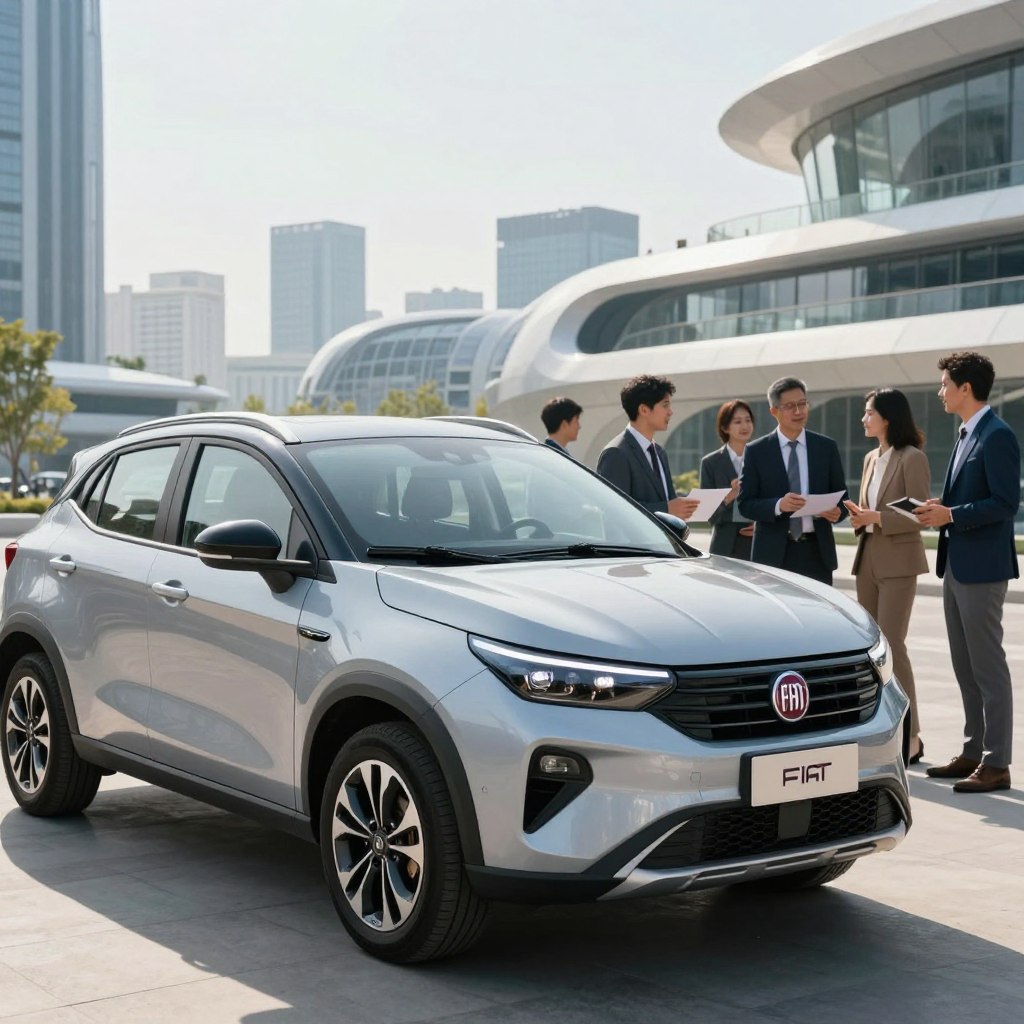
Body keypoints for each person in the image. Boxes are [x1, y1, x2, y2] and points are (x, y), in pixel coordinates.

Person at [916, 351, 1019, 794]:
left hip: (982, 569)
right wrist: (941, 512)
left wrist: (952, 515)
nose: (940, 391)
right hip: (956, 565)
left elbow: (1004, 504)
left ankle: (997, 763)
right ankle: (973, 751)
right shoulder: (964, 434)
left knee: (988, 668)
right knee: (965, 666)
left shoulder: (997, 435)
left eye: (944, 384)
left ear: (964, 388)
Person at [843, 388, 930, 765]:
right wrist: (861, 517)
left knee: (894, 644)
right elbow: (872, 509)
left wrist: (876, 518)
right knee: (874, 652)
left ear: (888, 417)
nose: (864, 419)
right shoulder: (869, 458)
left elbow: (920, 514)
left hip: (899, 562)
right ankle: (881, 730)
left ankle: (912, 735)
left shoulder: (913, 458)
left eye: (868, 413)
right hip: (869, 560)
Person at [737, 376, 847, 585]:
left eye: (802, 404)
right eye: (790, 406)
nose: (799, 411)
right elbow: (745, 504)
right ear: (774, 411)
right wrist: (779, 505)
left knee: (819, 616)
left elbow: (843, 499)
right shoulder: (756, 451)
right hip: (773, 556)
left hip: (817, 554)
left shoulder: (826, 448)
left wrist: (838, 512)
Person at [597, 375, 699, 520]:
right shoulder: (616, 453)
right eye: (665, 405)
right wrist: (666, 509)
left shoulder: (659, 452)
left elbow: (666, 499)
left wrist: (684, 507)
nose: (671, 411)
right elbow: (613, 509)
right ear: (644, 410)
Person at [700, 399, 755, 558]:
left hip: (758, 544)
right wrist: (730, 495)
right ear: (725, 427)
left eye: (748, 420)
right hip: (725, 547)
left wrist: (759, 523)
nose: (744, 426)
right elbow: (709, 515)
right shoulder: (710, 463)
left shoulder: (764, 458)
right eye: (737, 422)